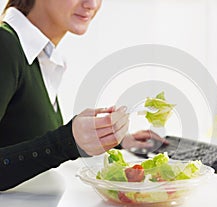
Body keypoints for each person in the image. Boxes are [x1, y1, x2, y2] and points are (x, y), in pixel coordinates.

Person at [0, 0, 167, 191]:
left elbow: (20, 141)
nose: (91, 4)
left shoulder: (38, 56)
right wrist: (68, 141)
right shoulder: (4, 45)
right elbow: (54, 146)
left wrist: (113, 141)